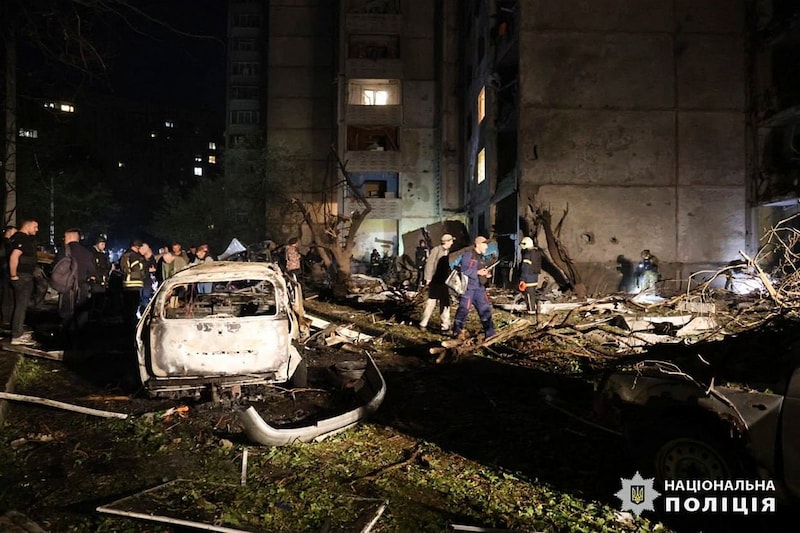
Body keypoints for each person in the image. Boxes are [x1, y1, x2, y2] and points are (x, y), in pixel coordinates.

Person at [452, 236, 496, 340]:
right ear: (478, 244)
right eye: (485, 244)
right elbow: (464, 270)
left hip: (480, 289)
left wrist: (485, 274)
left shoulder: (481, 257)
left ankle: (490, 334)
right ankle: (457, 332)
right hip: (469, 289)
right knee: (464, 310)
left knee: (485, 310)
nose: (486, 247)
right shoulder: (468, 255)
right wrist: (477, 272)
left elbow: (479, 270)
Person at [57, 228, 96, 340]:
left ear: (69, 237)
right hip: (82, 288)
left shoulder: (63, 251)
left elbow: (55, 268)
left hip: (66, 288)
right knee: (81, 315)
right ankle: (79, 340)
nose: (64, 239)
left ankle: (65, 339)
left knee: (66, 315)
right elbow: (92, 271)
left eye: (65, 237)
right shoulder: (87, 253)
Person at [8, 219, 39, 345]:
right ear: (27, 225)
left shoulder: (16, 238)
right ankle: (16, 336)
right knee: (21, 306)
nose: (37, 229)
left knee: (20, 305)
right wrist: (14, 275)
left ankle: (18, 331)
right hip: (22, 276)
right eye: (35, 226)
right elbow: (14, 257)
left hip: (22, 275)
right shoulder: (22, 239)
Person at [418, 233, 454, 332]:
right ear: (447, 242)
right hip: (435, 280)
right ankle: (423, 322)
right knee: (431, 302)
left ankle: (445, 324)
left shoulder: (448, 251)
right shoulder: (436, 250)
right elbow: (429, 264)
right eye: (451, 240)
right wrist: (428, 278)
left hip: (445, 281)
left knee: (445, 302)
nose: (452, 242)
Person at [120, 239, 146, 328]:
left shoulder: (125, 255)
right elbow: (137, 268)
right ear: (136, 247)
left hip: (127, 283)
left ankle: (127, 322)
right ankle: (131, 324)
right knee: (134, 305)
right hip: (134, 283)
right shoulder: (134, 256)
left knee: (128, 304)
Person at [89, 233, 112, 320]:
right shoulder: (92, 254)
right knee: (94, 302)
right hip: (95, 281)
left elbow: (106, 266)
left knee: (100, 302)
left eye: (104, 244)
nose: (103, 246)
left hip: (103, 281)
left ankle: (98, 318)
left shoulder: (103, 254)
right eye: (102, 244)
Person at [518, 236, 542, 315]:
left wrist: (522, 279)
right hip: (534, 277)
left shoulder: (527, 254)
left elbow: (525, 268)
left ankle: (531, 311)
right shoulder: (536, 253)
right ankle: (533, 309)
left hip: (527, 278)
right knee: (532, 294)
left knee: (528, 295)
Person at [0, 225, 17, 328]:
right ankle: (6, 319)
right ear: (9, 231)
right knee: (7, 296)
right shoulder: (7, 243)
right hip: (5, 272)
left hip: (3, 271)